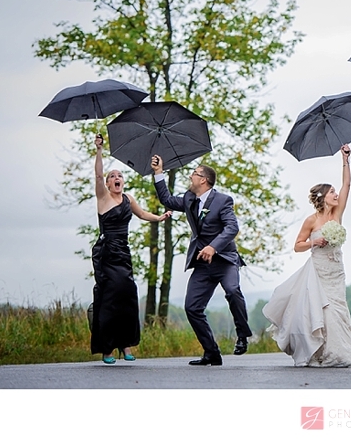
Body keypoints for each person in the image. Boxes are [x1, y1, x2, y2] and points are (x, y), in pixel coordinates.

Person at [151, 154, 252, 366]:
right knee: (192, 307)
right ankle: (211, 352)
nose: (190, 176)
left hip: (224, 260)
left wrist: (213, 247)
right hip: (203, 265)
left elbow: (232, 228)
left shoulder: (223, 200)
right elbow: (167, 200)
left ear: (203, 179)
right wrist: (159, 173)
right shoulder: (189, 199)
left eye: (194, 174)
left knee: (233, 291)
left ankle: (242, 335)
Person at [263, 145, 351, 367]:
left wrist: (345, 160)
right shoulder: (311, 221)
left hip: (336, 271)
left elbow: (348, 184)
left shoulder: (338, 213)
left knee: (338, 311)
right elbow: (297, 246)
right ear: (324, 197)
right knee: (320, 311)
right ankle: (319, 353)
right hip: (318, 271)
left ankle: (339, 354)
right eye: (332, 192)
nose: (336, 194)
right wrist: (314, 242)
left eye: (335, 192)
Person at [91, 134, 172, 365]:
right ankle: (107, 350)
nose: (116, 178)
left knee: (127, 296)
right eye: (112, 176)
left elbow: (143, 214)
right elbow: (97, 174)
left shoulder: (128, 198)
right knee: (109, 298)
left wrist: (160, 216)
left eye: (119, 175)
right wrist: (99, 150)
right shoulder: (103, 198)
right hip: (107, 253)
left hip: (123, 254)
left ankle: (125, 345)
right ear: (107, 183)